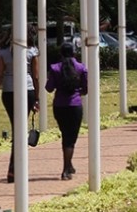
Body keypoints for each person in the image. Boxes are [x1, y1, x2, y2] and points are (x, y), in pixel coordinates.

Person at [0, 26, 38, 183]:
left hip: (9, 91)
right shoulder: (31, 51)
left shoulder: (2, 52)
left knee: (17, 128)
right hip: (27, 90)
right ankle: (14, 167)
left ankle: (14, 167)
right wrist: (37, 98)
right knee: (19, 130)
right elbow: (36, 76)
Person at [45, 42, 87, 180]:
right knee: (71, 138)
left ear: (61, 53)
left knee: (65, 136)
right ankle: (66, 168)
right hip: (75, 105)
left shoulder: (55, 68)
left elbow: (49, 88)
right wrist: (77, 91)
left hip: (60, 106)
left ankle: (68, 166)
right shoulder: (81, 68)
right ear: (74, 53)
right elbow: (85, 89)